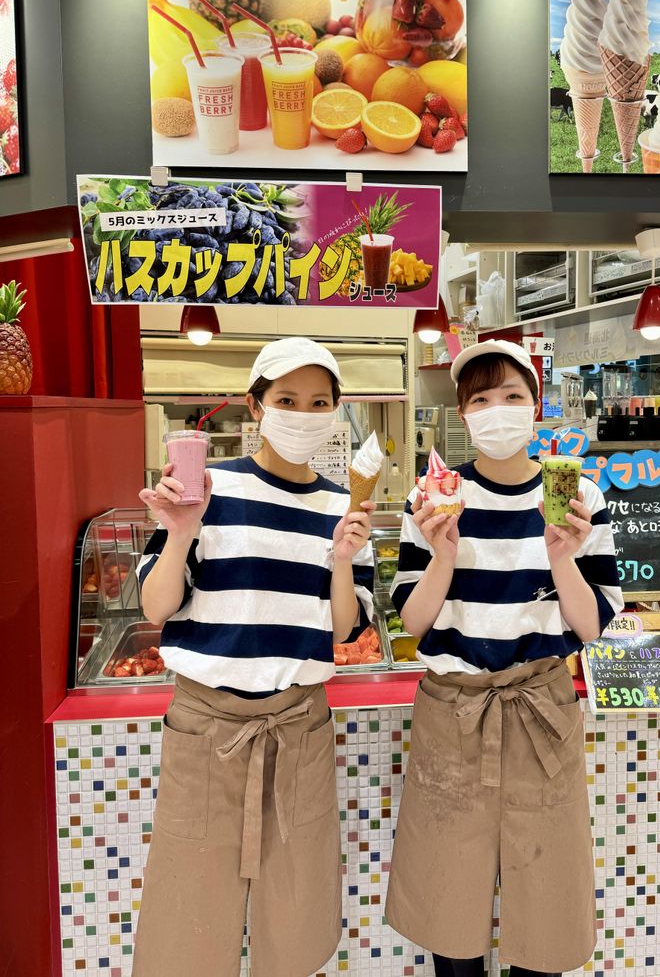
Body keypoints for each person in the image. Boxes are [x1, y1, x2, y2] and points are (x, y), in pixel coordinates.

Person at [132, 337, 375, 977]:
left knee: (294, 913)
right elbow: (157, 606)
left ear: (336, 411)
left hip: (298, 727)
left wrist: (342, 559)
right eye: (287, 400)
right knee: (189, 913)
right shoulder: (209, 487)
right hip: (207, 729)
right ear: (256, 405)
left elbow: (345, 629)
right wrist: (181, 533)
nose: (303, 414)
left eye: (319, 402)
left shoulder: (341, 507)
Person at [385, 340, 623, 977]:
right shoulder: (434, 496)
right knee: (449, 899)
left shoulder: (577, 495)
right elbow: (412, 621)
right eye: (481, 399)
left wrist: (563, 557)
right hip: (453, 712)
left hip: (542, 707)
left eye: (512, 395)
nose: (497, 409)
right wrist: (443, 554)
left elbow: (591, 626)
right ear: (463, 414)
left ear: (535, 407)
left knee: (545, 900)